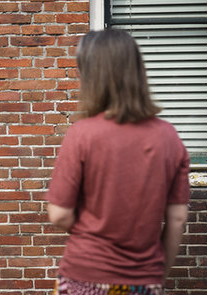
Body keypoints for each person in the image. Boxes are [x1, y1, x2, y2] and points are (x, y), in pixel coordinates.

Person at [45, 30, 190, 295]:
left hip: (84, 277)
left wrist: (98, 232)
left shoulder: (82, 133)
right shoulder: (169, 136)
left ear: (91, 77)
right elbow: (178, 218)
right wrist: (157, 274)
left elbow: (59, 214)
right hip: (145, 281)